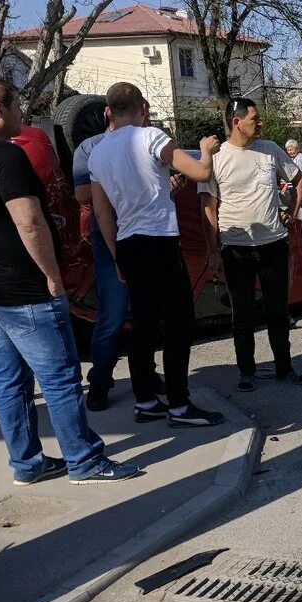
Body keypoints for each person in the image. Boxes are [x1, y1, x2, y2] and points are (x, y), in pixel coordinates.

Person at [0, 78, 138, 485]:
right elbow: (29, 223)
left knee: (9, 380)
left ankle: (27, 464)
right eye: (15, 106)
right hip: (25, 291)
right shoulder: (5, 157)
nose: (21, 114)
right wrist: (51, 278)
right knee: (61, 377)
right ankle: (84, 461)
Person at [88, 82, 224, 427]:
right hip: (160, 241)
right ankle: (179, 406)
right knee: (179, 324)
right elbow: (200, 172)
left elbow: (102, 213)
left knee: (144, 325)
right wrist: (206, 149)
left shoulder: (97, 153)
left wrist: (116, 255)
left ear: (108, 111)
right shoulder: (150, 136)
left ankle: (146, 400)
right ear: (143, 108)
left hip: (128, 243)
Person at [200, 98, 302, 393]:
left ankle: (284, 367)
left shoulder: (271, 150)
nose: (259, 123)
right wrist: (212, 250)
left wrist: (293, 210)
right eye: (254, 118)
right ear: (237, 122)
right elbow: (208, 207)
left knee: (277, 310)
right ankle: (246, 371)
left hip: (273, 243)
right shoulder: (217, 157)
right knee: (243, 314)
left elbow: (300, 182)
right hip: (235, 247)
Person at [72, 110, 130, 411]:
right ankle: (100, 381)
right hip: (110, 240)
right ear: (109, 112)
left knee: (146, 312)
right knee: (113, 313)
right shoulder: (90, 147)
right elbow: (82, 194)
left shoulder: (150, 141)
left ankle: (144, 376)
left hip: (146, 236)